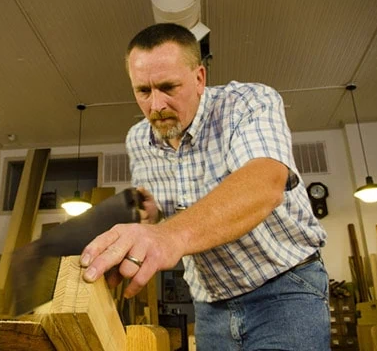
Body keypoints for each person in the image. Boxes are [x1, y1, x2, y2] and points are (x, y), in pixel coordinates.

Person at [80, 23, 329, 350]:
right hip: (210, 303)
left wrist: (169, 236)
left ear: (199, 78)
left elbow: (265, 182)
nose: (156, 106)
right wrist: (134, 225)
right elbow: (153, 208)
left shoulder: (247, 102)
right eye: (143, 91)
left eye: (168, 87)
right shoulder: (138, 139)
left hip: (284, 288)